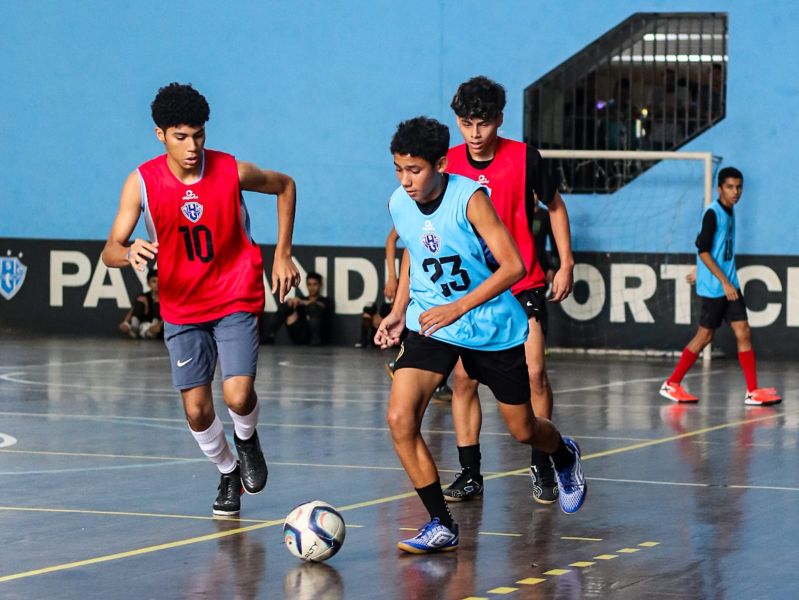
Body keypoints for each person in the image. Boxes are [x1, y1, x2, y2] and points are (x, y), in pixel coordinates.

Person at [376, 116, 586, 554]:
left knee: (523, 429)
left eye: (414, 170)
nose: (405, 180)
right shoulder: (399, 202)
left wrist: (458, 307)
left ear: (440, 164)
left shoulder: (470, 199)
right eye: (398, 169)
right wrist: (398, 312)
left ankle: (563, 455)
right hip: (431, 323)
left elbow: (514, 266)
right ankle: (441, 523)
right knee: (400, 419)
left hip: (490, 326)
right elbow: (414, 250)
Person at [101, 82, 300, 516]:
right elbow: (110, 250)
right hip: (182, 305)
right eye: (181, 137)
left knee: (238, 396)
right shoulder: (141, 183)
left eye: (199, 135)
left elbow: (286, 186)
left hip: (235, 293)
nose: (192, 146)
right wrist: (129, 251)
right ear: (160, 135)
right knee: (196, 410)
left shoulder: (231, 170)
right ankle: (228, 471)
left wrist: (283, 253)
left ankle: (247, 440)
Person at [442, 76, 575, 505]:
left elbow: (555, 206)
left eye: (482, 123)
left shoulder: (525, 157)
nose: (475, 133)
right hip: (470, 289)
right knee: (464, 379)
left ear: (499, 119)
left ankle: (543, 460)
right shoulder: (446, 163)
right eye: (466, 124)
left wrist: (566, 262)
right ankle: (470, 473)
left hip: (522, 282)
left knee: (535, 373)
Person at [660, 167, 781, 406]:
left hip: (729, 283)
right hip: (717, 287)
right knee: (705, 336)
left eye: (739, 187)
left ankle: (752, 391)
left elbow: (710, 247)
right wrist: (721, 281)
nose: (735, 192)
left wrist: (702, 270)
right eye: (730, 187)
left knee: (743, 331)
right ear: (719, 188)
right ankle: (671, 383)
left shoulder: (729, 211)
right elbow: (703, 249)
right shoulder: (712, 213)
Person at [262, 272, 331, 346]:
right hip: (301, 335)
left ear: (320, 285)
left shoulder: (326, 301)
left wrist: (303, 302)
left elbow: (321, 305)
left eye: (315, 284)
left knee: (313, 307)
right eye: (309, 284)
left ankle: (315, 342)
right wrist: (290, 302)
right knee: (287, 305)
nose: (312, 287)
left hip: (318, 338)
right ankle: (269, 335)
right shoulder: (301, 299)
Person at [119, 268, 162, 339]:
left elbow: (169, 316)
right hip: (143, 324)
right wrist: (125, 322)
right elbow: (133, 309)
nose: (157, 284)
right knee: (140, 301)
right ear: (148, 284)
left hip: (159, 326)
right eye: (154, 281)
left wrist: (159, 325)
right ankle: (134, 327)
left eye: (159, 281)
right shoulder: (143, 296)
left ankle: (151, 331)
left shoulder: (167, 298)